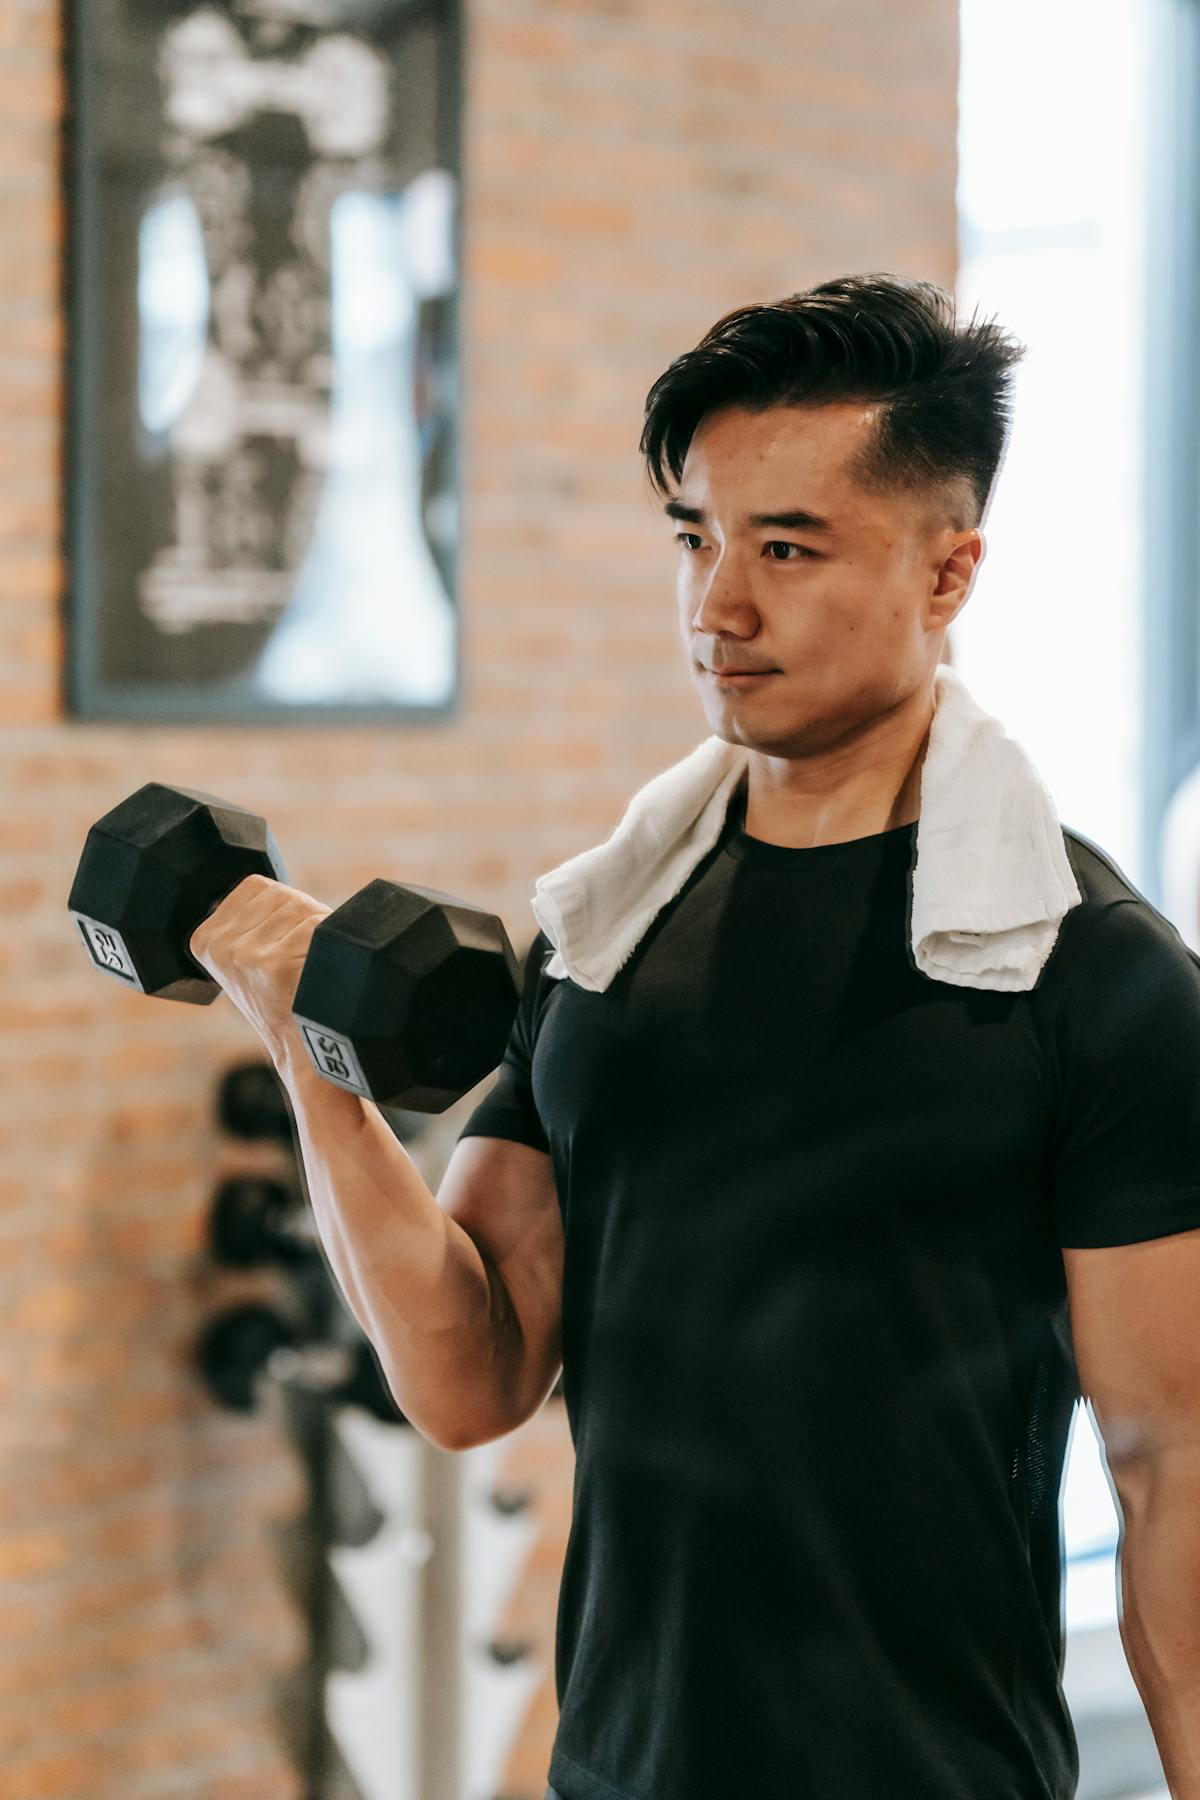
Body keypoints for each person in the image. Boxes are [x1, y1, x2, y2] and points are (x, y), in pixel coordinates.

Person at [190, 273, 1200, 1800]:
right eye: (696, 536)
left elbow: (1170, 1472)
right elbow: (469, 1376)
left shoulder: (1091, 980)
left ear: (948, 575)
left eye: (786, 548)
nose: (717, 606)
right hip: (619, 1772)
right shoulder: (607, 936)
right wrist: (309, 1058)